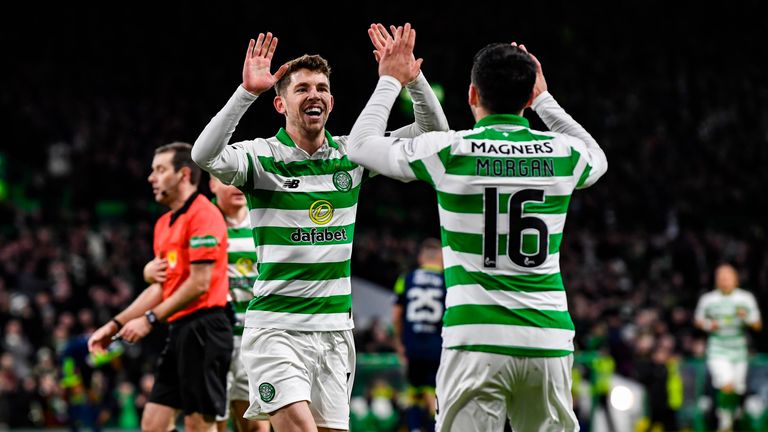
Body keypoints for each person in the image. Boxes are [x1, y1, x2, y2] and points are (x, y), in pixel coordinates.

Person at [191, 25, 447, 432]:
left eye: (322, 88)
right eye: (302, 88)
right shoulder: (262, 157)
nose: (315, 94)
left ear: (331, 100)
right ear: (280, 104)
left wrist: (413, 80)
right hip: (277, 330)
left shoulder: (352, 154)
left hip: (335, 332)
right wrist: (246, 93)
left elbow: (433, 135)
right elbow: (205, 154)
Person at [347, 32, 608, 431]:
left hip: (474, 338)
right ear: (526, 98)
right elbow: (598, 157)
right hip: (547, 338)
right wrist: (544, 100)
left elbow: (361, 146)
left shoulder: (450, 150)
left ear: (472, 95)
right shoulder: (563, 152)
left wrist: (390, 78)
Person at [88, 142, 232, 432]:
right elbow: (159, 289)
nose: (151, 178)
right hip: (179, 328)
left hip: (206, 326)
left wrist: (151, 320)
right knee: (153, 423)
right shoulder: (163, 224)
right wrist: (114, 325)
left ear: (184, 175)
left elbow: (200, 283)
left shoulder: (204, 214)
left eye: (160, 170)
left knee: (198, 425)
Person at [209, 176, 270, 432]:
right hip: (215, 340)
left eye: (239, 180)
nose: (235, 186)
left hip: (255, 340)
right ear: (211, 184)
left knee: (256, 425)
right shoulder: (203, 221)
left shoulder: (264, 218)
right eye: (225, 180)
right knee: (214, 423)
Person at [694, 263, 762, 432]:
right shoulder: (708, 299)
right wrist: (710, 325)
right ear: (716, 280)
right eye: (721, 277)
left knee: (737, 388)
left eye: (727, 277)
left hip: (739, 350)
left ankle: (732, 413)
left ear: (735, 279)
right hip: (718, 349)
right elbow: (698, 320)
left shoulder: (745, 299)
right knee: (726, 384)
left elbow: (757, 325)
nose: (724, 280)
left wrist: (745, 318)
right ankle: (725, 421)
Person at [392, 238, 445, 432]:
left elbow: (396, 315)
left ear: (422, 257)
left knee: (414, 392)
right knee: (435, 393)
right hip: (437, 346)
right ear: (441, 257)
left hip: (412, 344)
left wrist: (399, 343)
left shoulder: (405, 278)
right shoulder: (447, 280)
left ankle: (415, 428)